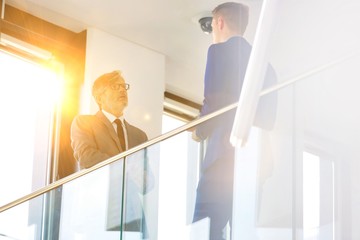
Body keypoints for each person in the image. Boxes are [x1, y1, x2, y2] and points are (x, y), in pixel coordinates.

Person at [192, 2, 276, 239]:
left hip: (223, 157)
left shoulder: (219, 51)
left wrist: (198, 131)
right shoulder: (266, 66)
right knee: (244, 230)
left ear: (219, 22)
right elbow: (269, 119)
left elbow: (214, 102)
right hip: (256, 160)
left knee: (205, 227)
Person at [70, 70, 151, 237]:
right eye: (115, 86)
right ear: (99, 98)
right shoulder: (84, 123)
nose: (122, 90)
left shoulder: (140, 135)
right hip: (99, 210)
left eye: (124, 86)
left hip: (132, 216)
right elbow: (87, 157)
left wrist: (142, 176)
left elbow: (148, 182)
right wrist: (127, 167)